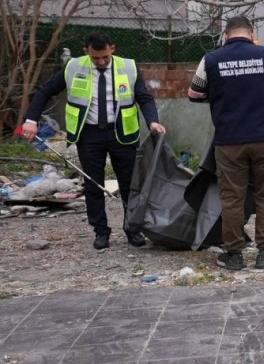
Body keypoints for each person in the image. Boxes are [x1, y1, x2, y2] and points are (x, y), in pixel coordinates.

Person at [20, 32, 166, 249]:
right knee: (93, 185)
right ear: (86, 51)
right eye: (96, 57)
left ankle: (132, 229)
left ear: (112, 49)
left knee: (129, 185)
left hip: (122, 134)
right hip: (89, 135)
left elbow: (144, 97)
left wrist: (152, 121)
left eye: (105, 57)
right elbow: (45, 91)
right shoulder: (73, 67)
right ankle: (101, 232)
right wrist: (31, 120)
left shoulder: (128, 67)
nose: (101, 62)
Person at [188, 17, 264, 271]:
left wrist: (220, 94)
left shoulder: (211, 59)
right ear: (252, 33)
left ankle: (234, 254)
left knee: (232, 197)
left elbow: (194, 94)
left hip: (229, 141)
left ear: (225, 35)